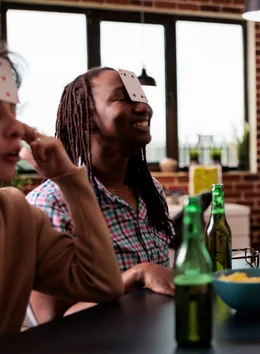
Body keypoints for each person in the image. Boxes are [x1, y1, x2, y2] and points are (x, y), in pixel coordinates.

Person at [26, 67, 174, 323]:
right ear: (86, 118)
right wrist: (135, 276)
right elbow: (52, 324)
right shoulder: (52, 202)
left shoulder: (152, 190)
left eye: (142, 99)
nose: (143, 108)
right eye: (123, 98)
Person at [0, 48, 123, 336]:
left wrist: (69, 179)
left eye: (13, 110)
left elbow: (102, 283)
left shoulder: (17, 216)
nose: (16, 128)